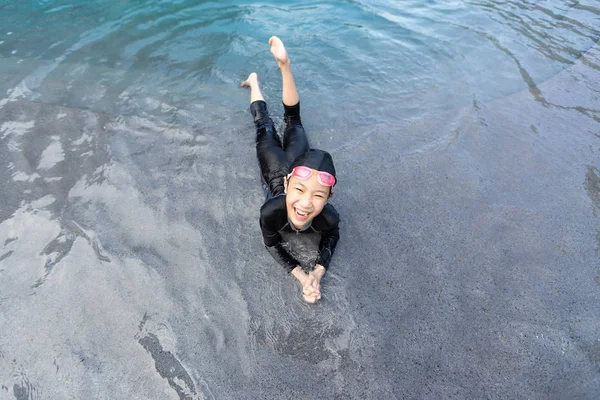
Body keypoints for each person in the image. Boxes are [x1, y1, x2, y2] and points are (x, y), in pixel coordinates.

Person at [241, 36, 340, 304]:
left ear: (328, 198)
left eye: (319, 196)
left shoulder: (328, 218)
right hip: (277, 167)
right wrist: (303, 274)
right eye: (299, 191)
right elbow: (271, 243)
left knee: (280, 125)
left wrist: (313, 277)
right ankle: (260, 79)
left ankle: (264, 77)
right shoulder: (271, 211)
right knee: (269, 124)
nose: (306, 204)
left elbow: (332, 237)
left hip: (300, 166)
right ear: (287, 186)